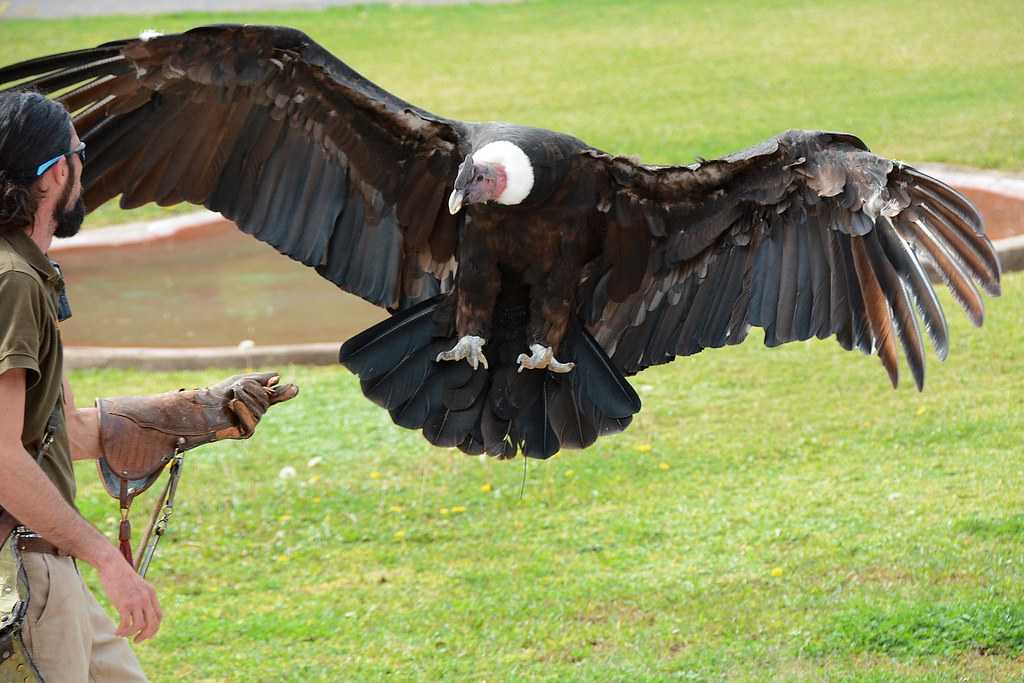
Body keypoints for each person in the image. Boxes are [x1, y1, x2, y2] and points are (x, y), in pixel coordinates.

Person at [0, 91, 296, 681]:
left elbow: (61, 433)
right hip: (26, 570)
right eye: (79, 154)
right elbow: (3, 458)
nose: (83, 166)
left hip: (49, 567)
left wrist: (192, 412)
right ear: (57, 172)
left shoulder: (26, 272)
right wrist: (108, 559)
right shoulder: (14, 284)